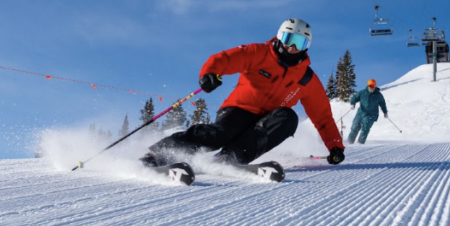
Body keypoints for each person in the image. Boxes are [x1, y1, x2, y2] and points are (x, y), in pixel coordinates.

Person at [141, 18, 346, 166]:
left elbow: (322, 116)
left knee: (289, 118)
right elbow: (225, 59)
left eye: (299, 42)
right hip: (239, 109)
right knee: (219, 135)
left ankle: (231, 157)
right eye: (289, 38)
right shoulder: (260, 53)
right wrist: (210, 74)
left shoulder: (307, 78)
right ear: (280, 36)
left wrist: (335, 145)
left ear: (306, 46)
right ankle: (158, 154)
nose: (292, 47)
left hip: (267, 120)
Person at [347, 79, 388, 145]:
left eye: (373, 86)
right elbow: (354, 98)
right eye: (370, 86)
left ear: (375, 86)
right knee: (354, 127)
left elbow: (383, 104)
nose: (371, 87)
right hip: (360, 113)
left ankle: (360, 144)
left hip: (371, 114)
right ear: (368, 85)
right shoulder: (362, 92)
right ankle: (349, 143)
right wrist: (353, 103)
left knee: (365, 128)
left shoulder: (378, 95)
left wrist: (385, 112)